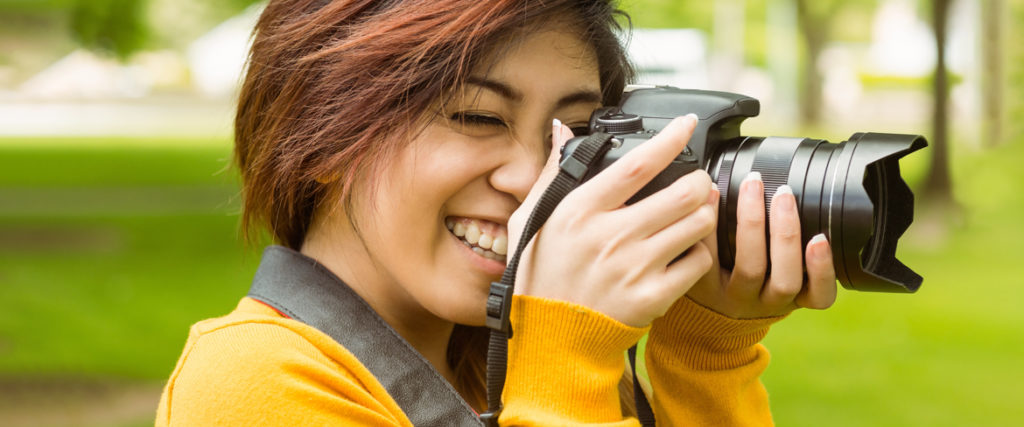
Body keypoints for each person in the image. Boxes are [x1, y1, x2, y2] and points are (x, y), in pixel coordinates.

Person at [156, 0, 837, 425]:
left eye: (570, 136)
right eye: (478, 116)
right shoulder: (251, 382)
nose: (531, 177)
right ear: (324, 134)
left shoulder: (510, 357)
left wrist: (705, 353)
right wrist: (563, 365)